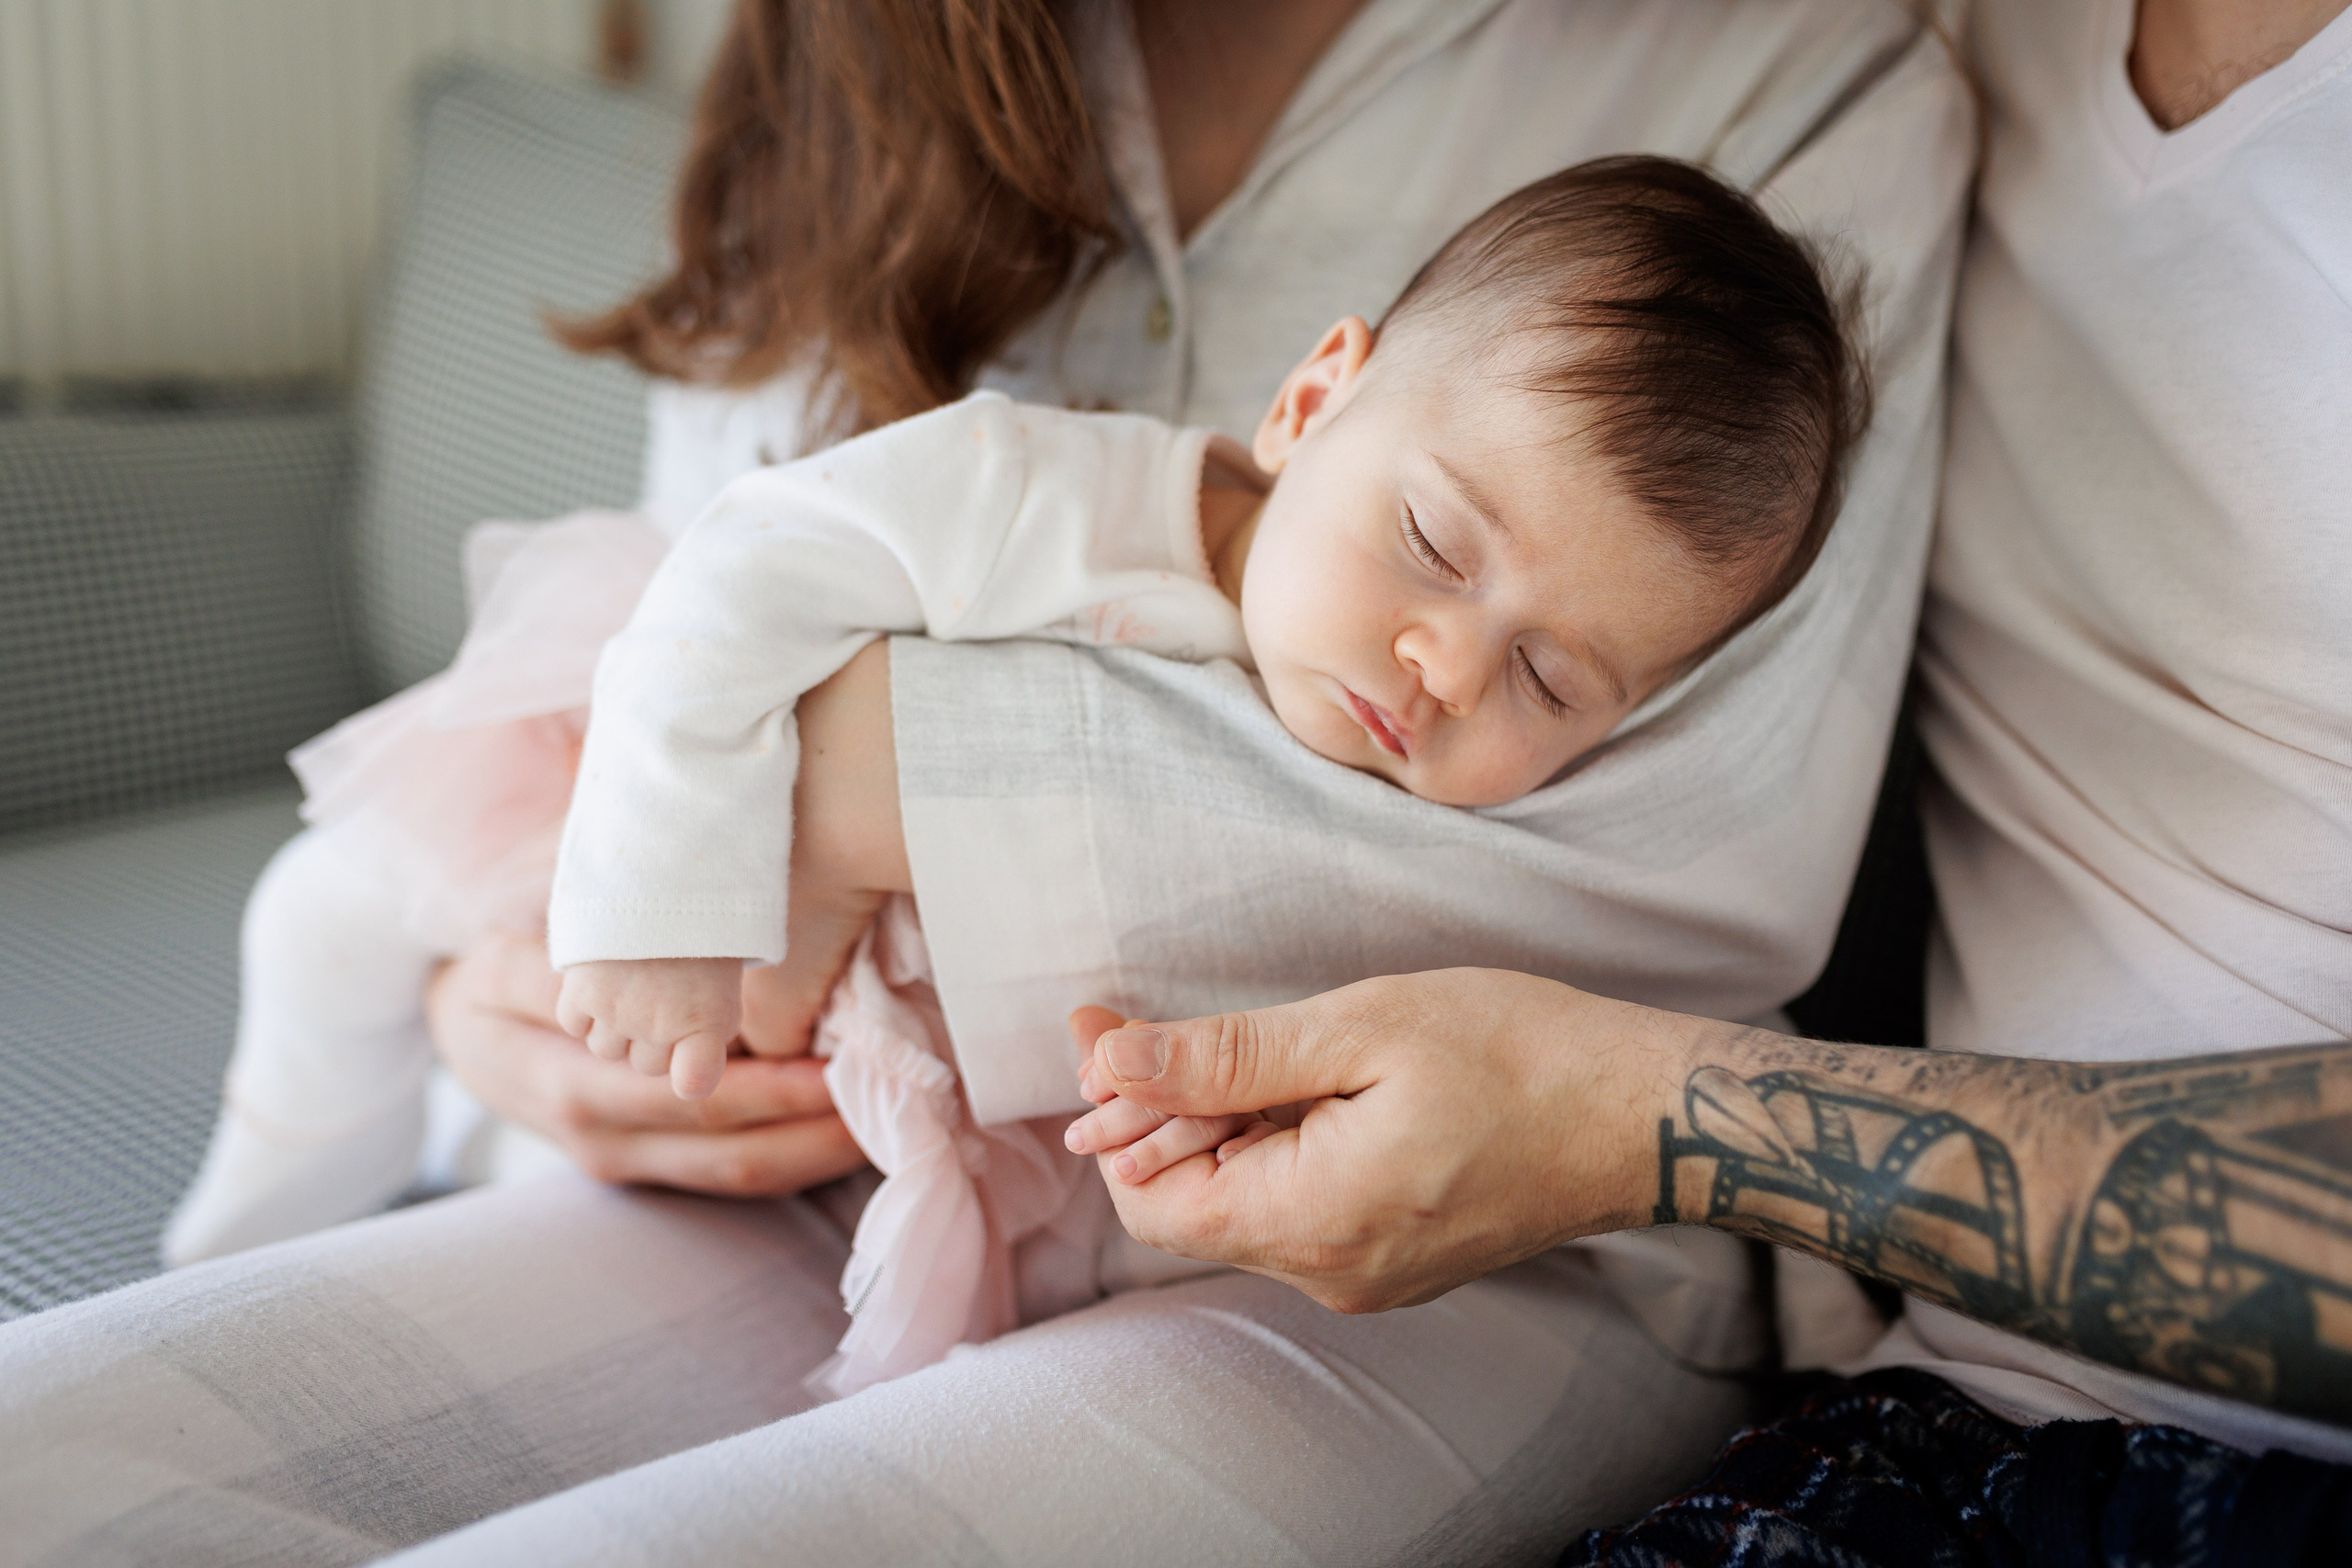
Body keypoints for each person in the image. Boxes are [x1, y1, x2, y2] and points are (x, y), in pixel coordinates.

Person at [0, 3, 1973, 1562]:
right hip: (795, 1072)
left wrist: (854, 790)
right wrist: (520, 985)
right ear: (1308, 400)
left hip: (1419, 1238)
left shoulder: (1804, 82)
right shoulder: (1000, 359)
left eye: (1549, 676)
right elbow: (724, 576)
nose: (1445, 668)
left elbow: (1687, 878)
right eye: (1436, 550)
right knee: (56, 1453)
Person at [1059, 0, 2352, 1560]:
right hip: (1952, 1415)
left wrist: (1624, 1115)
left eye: (1546, 679)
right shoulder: (1971, 43)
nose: (1455, 673)